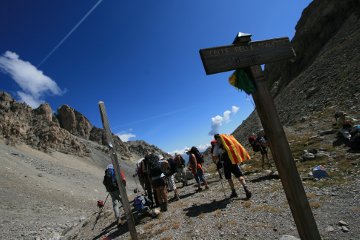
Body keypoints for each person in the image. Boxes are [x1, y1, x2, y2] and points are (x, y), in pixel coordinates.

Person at [213, 134, 251, 199]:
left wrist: (217, 158)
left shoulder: (217, 146)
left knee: (229, 178)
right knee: (239, 175)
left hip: (225, 164)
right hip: (233, 161)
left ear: (216, 139)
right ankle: (246, 188)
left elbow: (215, 157)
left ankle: (234, 192)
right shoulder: (228, 142)